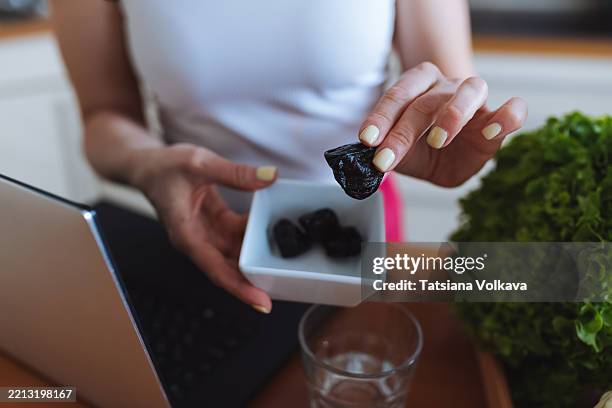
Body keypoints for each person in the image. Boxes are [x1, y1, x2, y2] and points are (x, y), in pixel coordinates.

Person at [51, 0, 527, 314]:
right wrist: (145, 163)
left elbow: (445, 88)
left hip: (358, 235)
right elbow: (104, 113)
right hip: (200, 234)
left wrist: (446, 125)